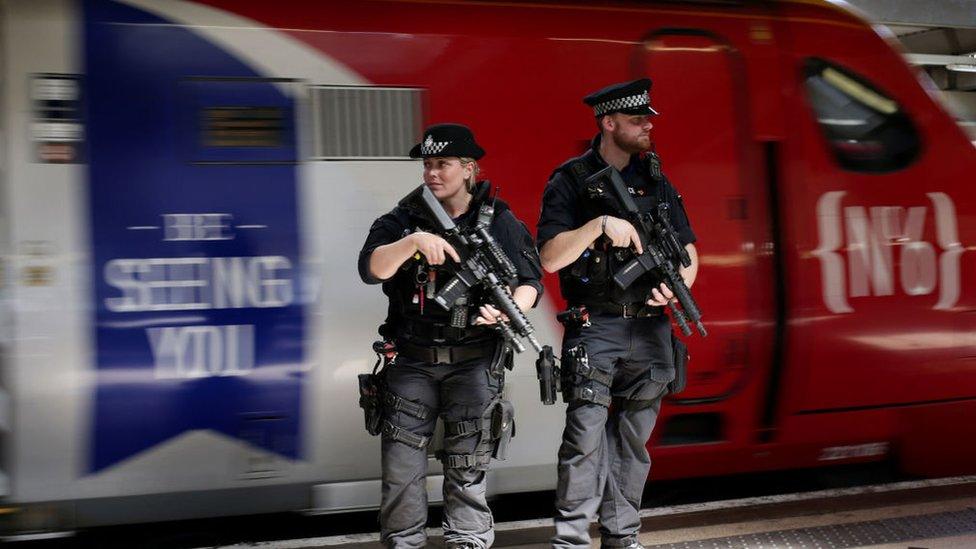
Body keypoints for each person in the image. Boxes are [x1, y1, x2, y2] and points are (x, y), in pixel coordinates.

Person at [359, 123, 544, 549]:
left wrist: (509, 307)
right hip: (411, 363)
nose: (432, 173)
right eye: (427, 164)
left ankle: (469, 542)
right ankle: (403, 543)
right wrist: (413, 242)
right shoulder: (402, 219)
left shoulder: (501, 222)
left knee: (468, 467)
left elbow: (531, 281)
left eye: (442, 164)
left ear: (468, 168)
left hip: (475, 362)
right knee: (402, 473)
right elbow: (371, 268)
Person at [536, 79, 699, 549]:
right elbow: (549, 257)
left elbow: (688, 246)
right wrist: (599, 225)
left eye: (648, 118)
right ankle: (571, 541)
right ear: (609, 123)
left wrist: (679, 282)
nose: (648, 125)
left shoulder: (656, 178)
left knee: (633, 444)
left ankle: (622, 537)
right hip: (597, 326)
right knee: (584, 439)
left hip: (650, 329)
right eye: (636, 119)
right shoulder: (568, 180)